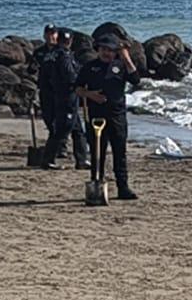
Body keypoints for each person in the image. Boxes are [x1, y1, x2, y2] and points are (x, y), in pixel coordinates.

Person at [75, 34, 142, 200]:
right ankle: (96, 182)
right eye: (104, 49)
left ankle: (123, 187)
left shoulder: (120, 66)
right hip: (96, 116)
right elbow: (77, 88)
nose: (107, 53)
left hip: (117, 115)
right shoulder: (90, 67)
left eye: (111, 50)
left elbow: (136, 80)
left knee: (120, 153)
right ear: (98, 50)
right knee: (98, 153)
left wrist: (126, 56)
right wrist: (90, 95)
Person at [40, 29, 89, 170]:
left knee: (78, 129)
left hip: (61, 95)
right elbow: (69, 75)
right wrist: (80, 81)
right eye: (65, 41)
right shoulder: (62, 55)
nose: (67, 43)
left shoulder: (52, 55)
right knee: (62, 129)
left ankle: (81, 159)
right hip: (66, 96)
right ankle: (48, 159)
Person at [29, 24, 58, 135]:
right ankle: (53, 136)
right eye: (48, 34)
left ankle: (61, 145)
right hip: (45, 88)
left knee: (59, 117)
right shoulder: (39, 52)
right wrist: (33, 67)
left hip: (59, 89)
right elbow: (31, 69)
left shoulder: (62, 51)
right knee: (47, 117)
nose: (51, 36)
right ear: (44, 35)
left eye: (53, 33)